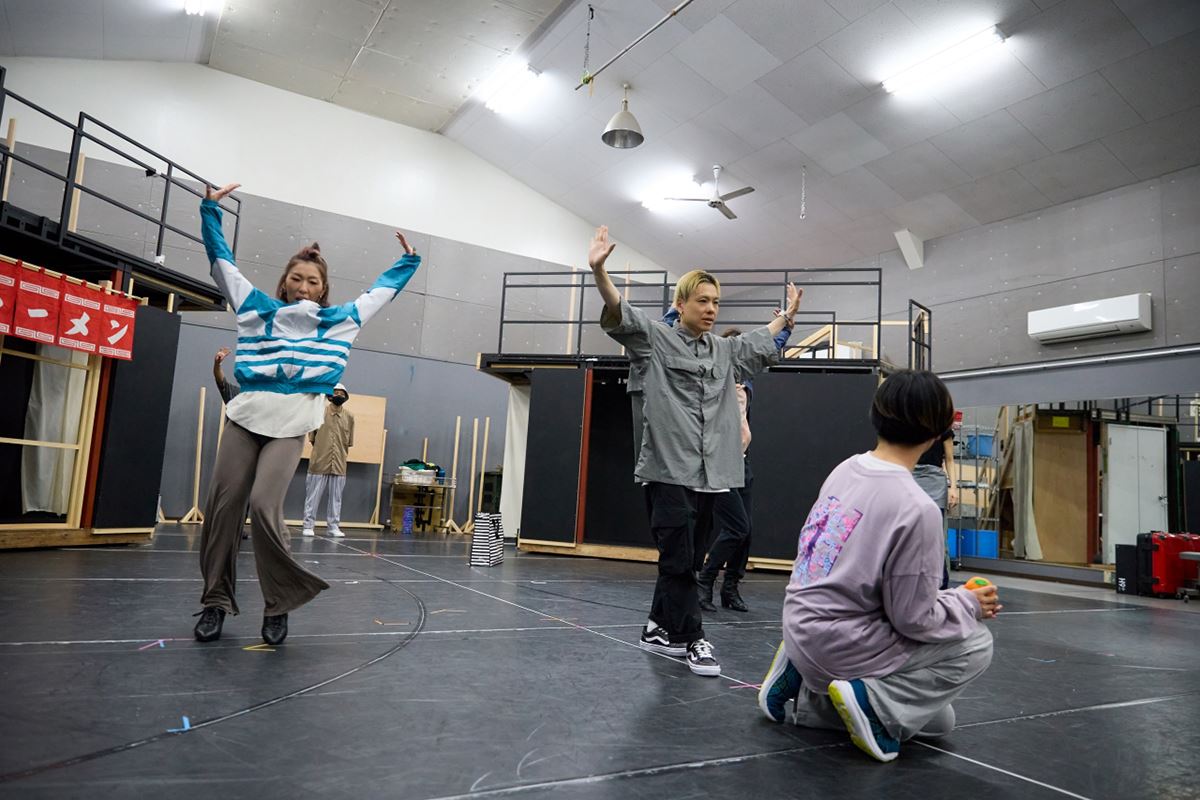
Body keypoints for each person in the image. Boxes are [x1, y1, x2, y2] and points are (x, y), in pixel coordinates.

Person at [193, 182, 420, 647]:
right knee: (223, 508)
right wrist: (210, 211)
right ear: (284, 282)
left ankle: (278, 605)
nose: (303, 286)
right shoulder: (254, 307)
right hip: (245, 416)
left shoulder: (342, 321)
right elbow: (221, 263)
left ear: (323, 289)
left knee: (264, 505)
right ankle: (215, 601)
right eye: (296, 278)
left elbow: (382, 292)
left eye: (313, 281)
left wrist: (408, 261)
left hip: (293, 421)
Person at [589, 225, 802, 677]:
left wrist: (786, 317)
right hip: (668, 471)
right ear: (681, 304)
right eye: (702, 301)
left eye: (716, 302)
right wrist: (599, 272)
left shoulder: (724, 351)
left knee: (684, 559)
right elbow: (621, 313)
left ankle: (656, 627)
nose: (710, 309)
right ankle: (693, 638)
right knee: (680, 558)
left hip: (711, 475)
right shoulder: (655, 340)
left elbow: (759, 341)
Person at [757, 370, 999, 763]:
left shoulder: (845, 469)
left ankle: (801, 684)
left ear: (877, 414)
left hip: (800, 626)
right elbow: (913, 619)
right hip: (841, 641)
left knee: (939, 722)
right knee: (976, 643)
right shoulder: (917, 509)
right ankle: (866, 701)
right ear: (937, 431)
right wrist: (968, 604)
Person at [696, 321, 793, 614]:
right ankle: (705, 581)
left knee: (745, 531)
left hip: (742, 461)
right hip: (719, 463)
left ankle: (730, 588)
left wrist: (787, 326)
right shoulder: (714, 376)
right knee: (737, 527)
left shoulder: (746, 378)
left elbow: (768, 347)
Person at [302, 383, 355, 538]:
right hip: (319, 461)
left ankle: (333, 526)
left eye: (342, 393)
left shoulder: (350, 417)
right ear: (329, 396)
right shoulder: (319, 412)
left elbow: (349, 442)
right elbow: (312, 438)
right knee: (312, 496)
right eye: (336, 392)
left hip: (339, 463)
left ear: (346, 397)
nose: (339, 395)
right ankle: (308, 525)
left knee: (336, 498)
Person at [913, 429, 958, 589]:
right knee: (912, 533)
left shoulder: (943, 429)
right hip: (911, 476)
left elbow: (950, 460)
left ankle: (942, 586)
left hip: (935, 479)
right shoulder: (910, 423)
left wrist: (953, 488)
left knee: (938, 535)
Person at [212, 347, 249, 539]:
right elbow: (220, 381)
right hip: (234, 451)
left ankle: (238, 527)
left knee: (246, 494)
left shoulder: (261, 399)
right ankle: (223, 527)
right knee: (229, 491)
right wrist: (217, 364)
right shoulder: (234, 394)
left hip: (251, 454)